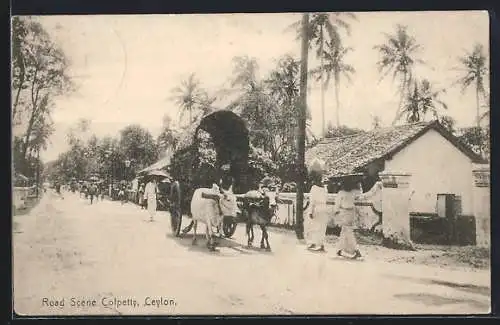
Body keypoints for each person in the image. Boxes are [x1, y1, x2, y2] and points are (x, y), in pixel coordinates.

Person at [334, 175, 363, 259]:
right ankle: (339, 249)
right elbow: (360, 194)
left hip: (344, 212)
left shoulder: (341, 193)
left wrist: (335, 212)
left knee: (348, 232)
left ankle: (356, 250)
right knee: (344, 231)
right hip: (351, 212)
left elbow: (337, 204)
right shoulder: (353, 192)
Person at [305, 159, 328, 252]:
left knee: (313, 226)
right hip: (324, 208)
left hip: (317, 208)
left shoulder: (313, 188)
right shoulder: (325, 188)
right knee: (322, 228)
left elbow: (312, 202)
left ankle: (313, 243)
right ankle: (321, 244)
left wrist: (310, 211)